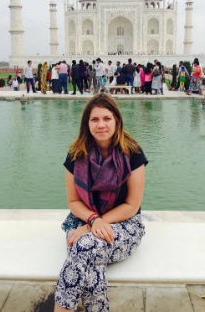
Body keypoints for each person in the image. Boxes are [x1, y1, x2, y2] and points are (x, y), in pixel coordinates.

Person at [54, 93, 147, 312]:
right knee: (89, 259)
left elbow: (132, 206)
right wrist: (92, 220)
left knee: (83, 248)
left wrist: (93, 225)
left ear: (117, 120)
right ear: (87, 124)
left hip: (124, 224)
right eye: (95, 119)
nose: (101, 125)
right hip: (82, 220)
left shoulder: (132, 153)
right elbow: (74, 201)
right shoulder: (76, 154)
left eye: (107, 118)